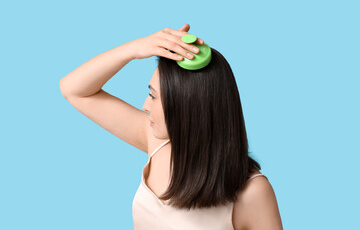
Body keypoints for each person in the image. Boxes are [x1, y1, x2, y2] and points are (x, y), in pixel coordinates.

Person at [60, 23, 283, 230]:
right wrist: (134, 49)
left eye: (154, 97)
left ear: (187, 107)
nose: (145, 106)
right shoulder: (157, 141)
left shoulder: (253, 192)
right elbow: (73, 89)